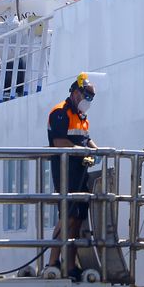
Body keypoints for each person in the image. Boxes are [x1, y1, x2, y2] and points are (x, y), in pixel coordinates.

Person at [46, 74, 97, 275]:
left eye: (92, 98)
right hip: (65, 169)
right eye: (87, 97)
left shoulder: (82, 117)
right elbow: (59, 142)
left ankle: (69, 265)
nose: (89, 101)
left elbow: (87, 139)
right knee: (67, 216)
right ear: (76, 93)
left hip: (79, 170)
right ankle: (53, 263)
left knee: (77, 218)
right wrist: (83, 150)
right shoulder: (60, 112)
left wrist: (96, 150)